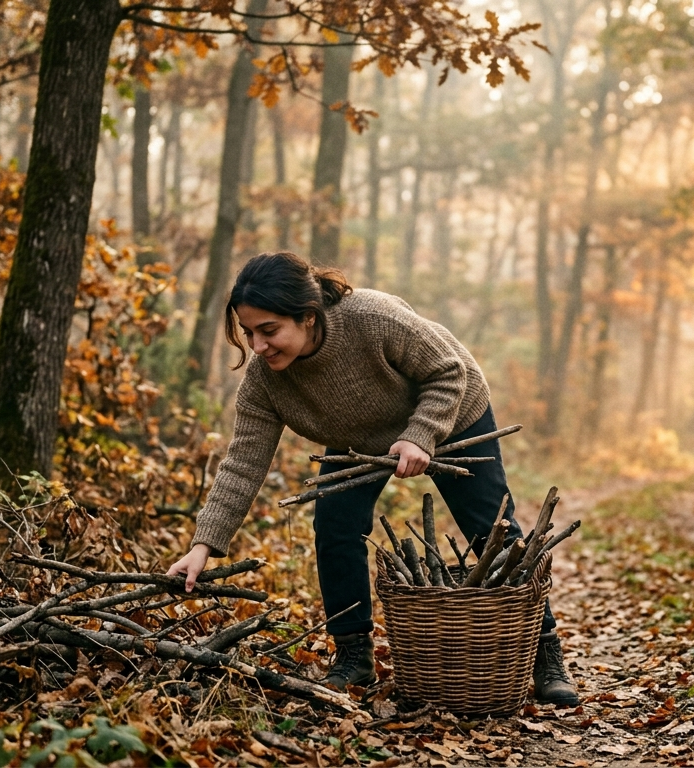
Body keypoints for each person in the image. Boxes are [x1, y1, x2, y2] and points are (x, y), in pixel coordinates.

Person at [166, 252, 579, 705]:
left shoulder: (373, 318)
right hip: (356, 439)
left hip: (453, 412)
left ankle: (544, 652)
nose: (258, 346)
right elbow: (242, 464)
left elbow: (448, 371)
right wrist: (202, 546)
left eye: (269, 331)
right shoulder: (265, 383)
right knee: (335, 529)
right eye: (249, 333)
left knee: (492, 530)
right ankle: (352, 655)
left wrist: (420, 436)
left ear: (307, 317)